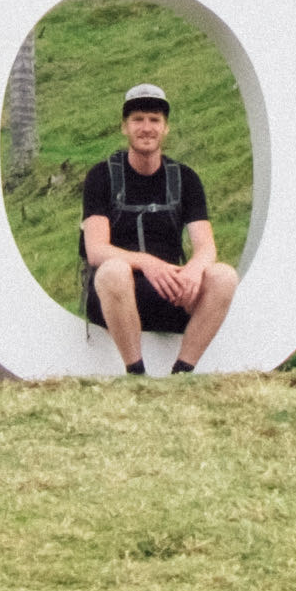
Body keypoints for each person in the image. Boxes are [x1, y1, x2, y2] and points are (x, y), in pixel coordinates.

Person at [78, 80, 237, 373]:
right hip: (116, 296)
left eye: (154, 120)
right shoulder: (101, 176)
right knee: (113, 269)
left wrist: (191, 271)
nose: (146, 127)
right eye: (137, 119)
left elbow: (206, 247)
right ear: (124, 127)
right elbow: (96, 250)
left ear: (166, 128)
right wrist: (148, 263)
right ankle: (136, 372)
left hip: (171, 291)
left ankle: (183, 370)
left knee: (223, 276)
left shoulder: (186, 179)